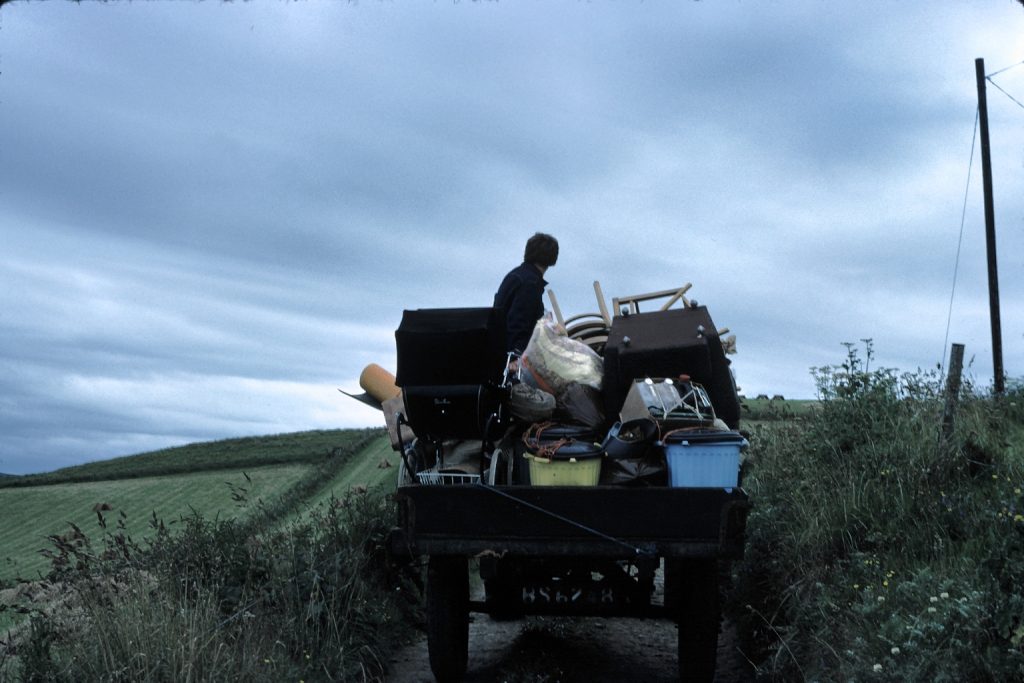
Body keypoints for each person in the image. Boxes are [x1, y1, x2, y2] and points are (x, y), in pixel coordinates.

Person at [493, 232, 558, 355]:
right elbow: (519, 323)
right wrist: (516, 354)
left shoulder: (515, 275)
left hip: (498, 351)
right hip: (513, 357)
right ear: (552, 258)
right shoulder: (530, 283)